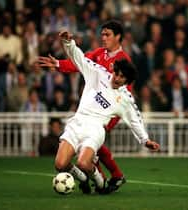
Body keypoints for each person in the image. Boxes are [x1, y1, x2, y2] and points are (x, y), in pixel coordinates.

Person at [54, 30, 160, 194]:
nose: (116, 78)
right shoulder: (97, 73)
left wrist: (145, 140)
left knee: (83, 163)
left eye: (122, 77)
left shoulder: (125, 98)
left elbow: (135, 120)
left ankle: (99, 181)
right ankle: (82, 179)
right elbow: (79, 59)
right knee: (60, 165)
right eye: (116, 73)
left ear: (127, 81)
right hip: (77, 122)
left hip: (95, 130)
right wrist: (69, 43)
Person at [39, 20, 131, 194]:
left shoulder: (124, 60)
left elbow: (127, 91)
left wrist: (116, 116)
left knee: (92, 146)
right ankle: (107, 177)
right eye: (102, 34)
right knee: (90, 146)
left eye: (107, 34)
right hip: (92, 108)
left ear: (118, 37)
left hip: (110, 111)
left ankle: (107, 177)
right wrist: (59, 64)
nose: (103, 38)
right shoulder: (98, 54)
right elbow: (79, 63)